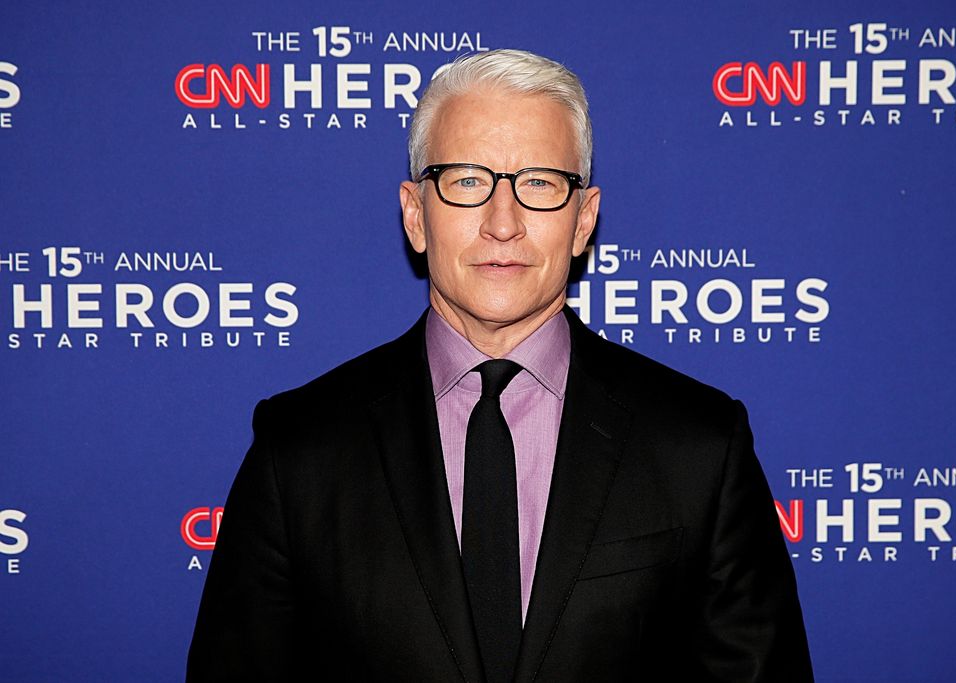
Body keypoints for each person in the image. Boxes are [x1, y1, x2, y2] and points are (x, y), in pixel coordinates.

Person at [187, 49, 813, 682]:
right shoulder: (298, 449)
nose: (503, 223)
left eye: (539, 183)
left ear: (583, 221)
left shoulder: (700, 445)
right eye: (467, 181)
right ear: (415, 215)